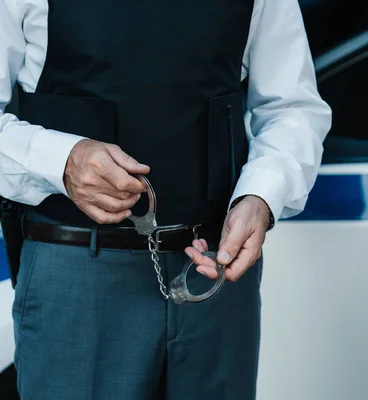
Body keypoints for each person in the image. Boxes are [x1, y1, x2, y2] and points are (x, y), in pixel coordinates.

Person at [0, 0, 332, 398]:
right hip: (77, 276)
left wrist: (261, 196)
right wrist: (63, 160)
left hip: (212, 274)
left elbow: (291, 107)